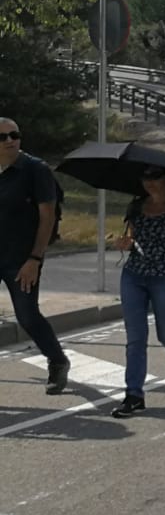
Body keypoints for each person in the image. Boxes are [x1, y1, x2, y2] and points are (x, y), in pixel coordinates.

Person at [110, 166, 165, 418]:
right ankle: (134, 395)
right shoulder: (137, 206)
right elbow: (131, 238)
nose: (149, 183)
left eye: (155, 177)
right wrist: (124, 243)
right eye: (145, 177)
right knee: (135, 338)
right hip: (134, 276)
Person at [0, 117, 70, 393]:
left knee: (27, 316)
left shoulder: (34, 169)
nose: (10, 141)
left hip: (21, 259)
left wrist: (35, 259)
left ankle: (57, 361)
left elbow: (47, 217)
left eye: (14, 135)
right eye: (2, 137)